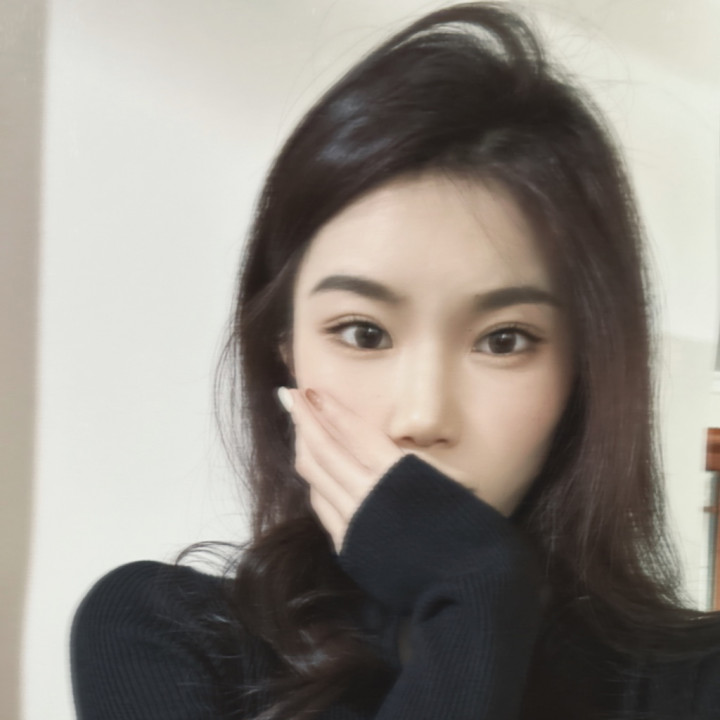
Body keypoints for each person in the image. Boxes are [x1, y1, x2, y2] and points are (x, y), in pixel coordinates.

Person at [69, 3, 720, 719]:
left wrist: (475, 590)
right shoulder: (162, 635)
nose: (422, 416)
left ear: (582, 371)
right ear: (286, 353)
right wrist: (474, 597)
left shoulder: (694, 679)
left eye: (504, 340)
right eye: (364, 333)